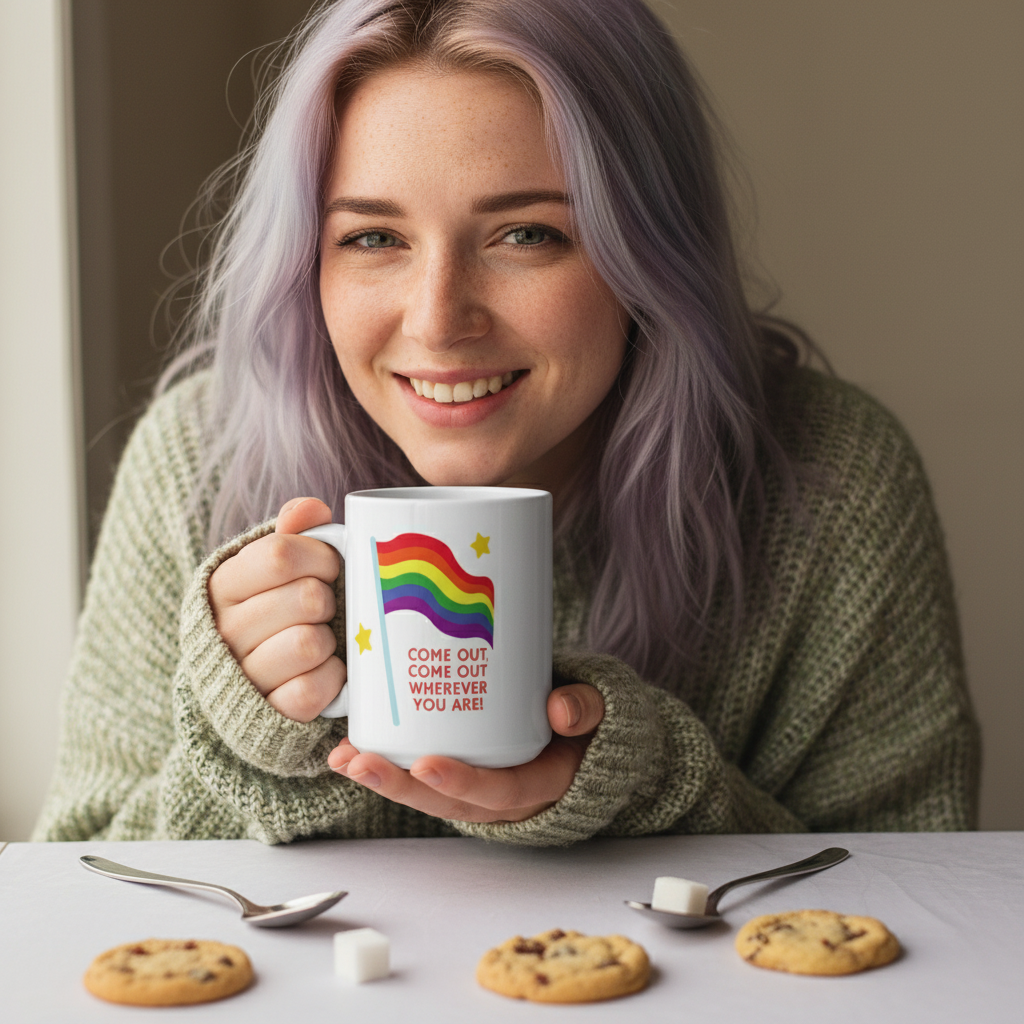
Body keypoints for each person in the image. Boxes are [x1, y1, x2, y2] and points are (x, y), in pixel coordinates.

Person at [34, 0, 979, 845]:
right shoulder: (199, 455)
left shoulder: (830, 480)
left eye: (528, 234)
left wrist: (641, 790)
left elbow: (920, 891)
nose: (441, 320)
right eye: (372, 238)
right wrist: (250, 740)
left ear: (646, 254)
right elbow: (77, 886)